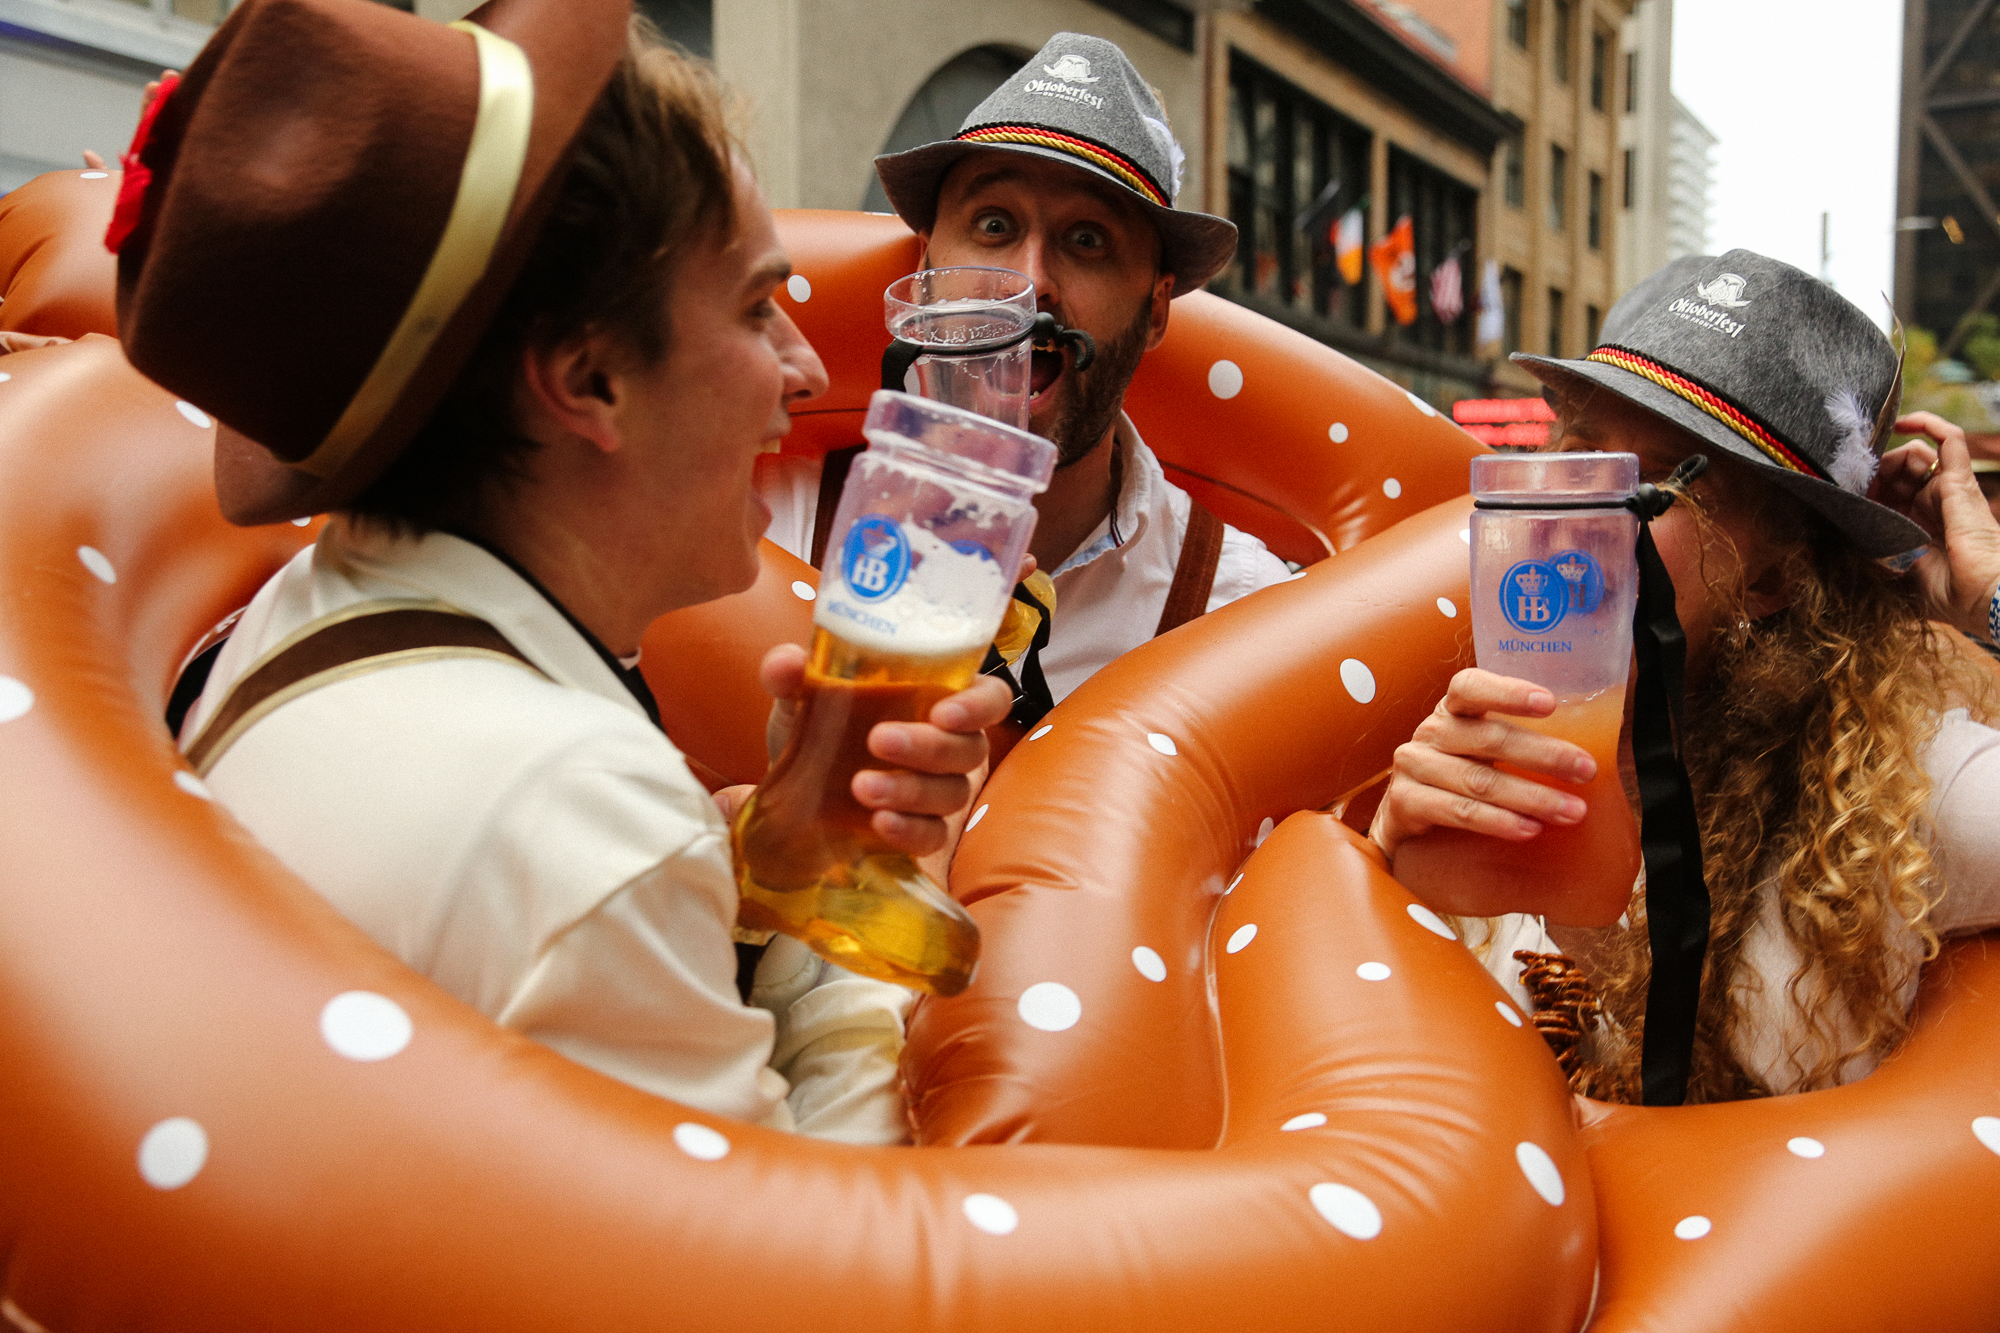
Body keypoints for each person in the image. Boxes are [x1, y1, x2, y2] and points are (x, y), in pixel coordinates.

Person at [117, 0, 1011, 1143]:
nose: (800, 367)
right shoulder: (576, 814)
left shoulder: (300, 614)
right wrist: (841, 934)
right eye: (753, 307)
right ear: (589, 382)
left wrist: (772, 850)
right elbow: (812, 1272)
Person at [1370, 250, 2000, 1103]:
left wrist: (1988, 600)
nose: (1581, 514)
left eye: (1666, 479)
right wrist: (1383, 887)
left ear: (1774, 576)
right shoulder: (1461, 754)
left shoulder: (1899, 797)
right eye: (1580, 451)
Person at [758, 33, 1290, 708]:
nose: (1027, 284)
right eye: (993, 224)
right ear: (923, 273)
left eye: (1087, 240)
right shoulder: (769, 523)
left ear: (1155, 308)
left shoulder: (1239, 609)